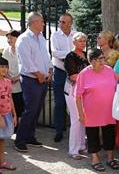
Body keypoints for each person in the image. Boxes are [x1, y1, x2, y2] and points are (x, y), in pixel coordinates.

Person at [75, 49, 119, 171]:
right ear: (91, 61)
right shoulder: (84, 74)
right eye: (98, 59)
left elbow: (116, 88)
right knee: (92, 134)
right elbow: (78, 96)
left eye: (102, 58)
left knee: (109, 133)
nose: (102, 61)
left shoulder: (110, 71)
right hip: (91, 111)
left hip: (109, 110)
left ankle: (110, 157)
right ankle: (95, 158)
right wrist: (81, 114)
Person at [14, 12, 52, 153]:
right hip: (31, 79)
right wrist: (38, 74)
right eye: (41, 21)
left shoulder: (41, 37)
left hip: (42, 78)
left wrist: (50, 70)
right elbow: (26, 61)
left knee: (37, 109)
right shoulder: (24, 39)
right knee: (30, 109)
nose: (43, 24)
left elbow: (46, 56)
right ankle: (20, 139)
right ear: (34, 22)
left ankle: (30, 136)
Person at [50, 13, 76, 143]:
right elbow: (54, 52)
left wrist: (68, 55)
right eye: (60, 21)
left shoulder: (76, 35)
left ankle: (74, 131)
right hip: (60, 72)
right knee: (59, 102)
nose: (61, 24)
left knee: (75, 103)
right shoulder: (55, 35)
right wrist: (72, 55)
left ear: (70, 23)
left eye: (64, 22)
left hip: (74, 73)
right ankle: (59, 130)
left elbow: (81, 51)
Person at [63, 32, 89, 159]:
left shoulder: (85, 55)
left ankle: (81, 145)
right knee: (76, 119)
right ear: (74, 42)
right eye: (80, 41)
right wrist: (88, 78)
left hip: (83, 90)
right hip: (72, 89)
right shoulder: (70, 57)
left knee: (83, 118)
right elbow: (73, 75)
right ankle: (73, 150)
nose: (83, 43)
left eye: (84, 41)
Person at [1, 30, 23, 122]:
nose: (9, 40)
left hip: (20, 81)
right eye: (8, 38)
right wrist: (8, 76)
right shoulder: (6, 50)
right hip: (9, 81)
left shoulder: (21, 49)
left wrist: (17, 77)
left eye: (11, 38)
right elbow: (3, 64)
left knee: (19, 105)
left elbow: (26, 65)